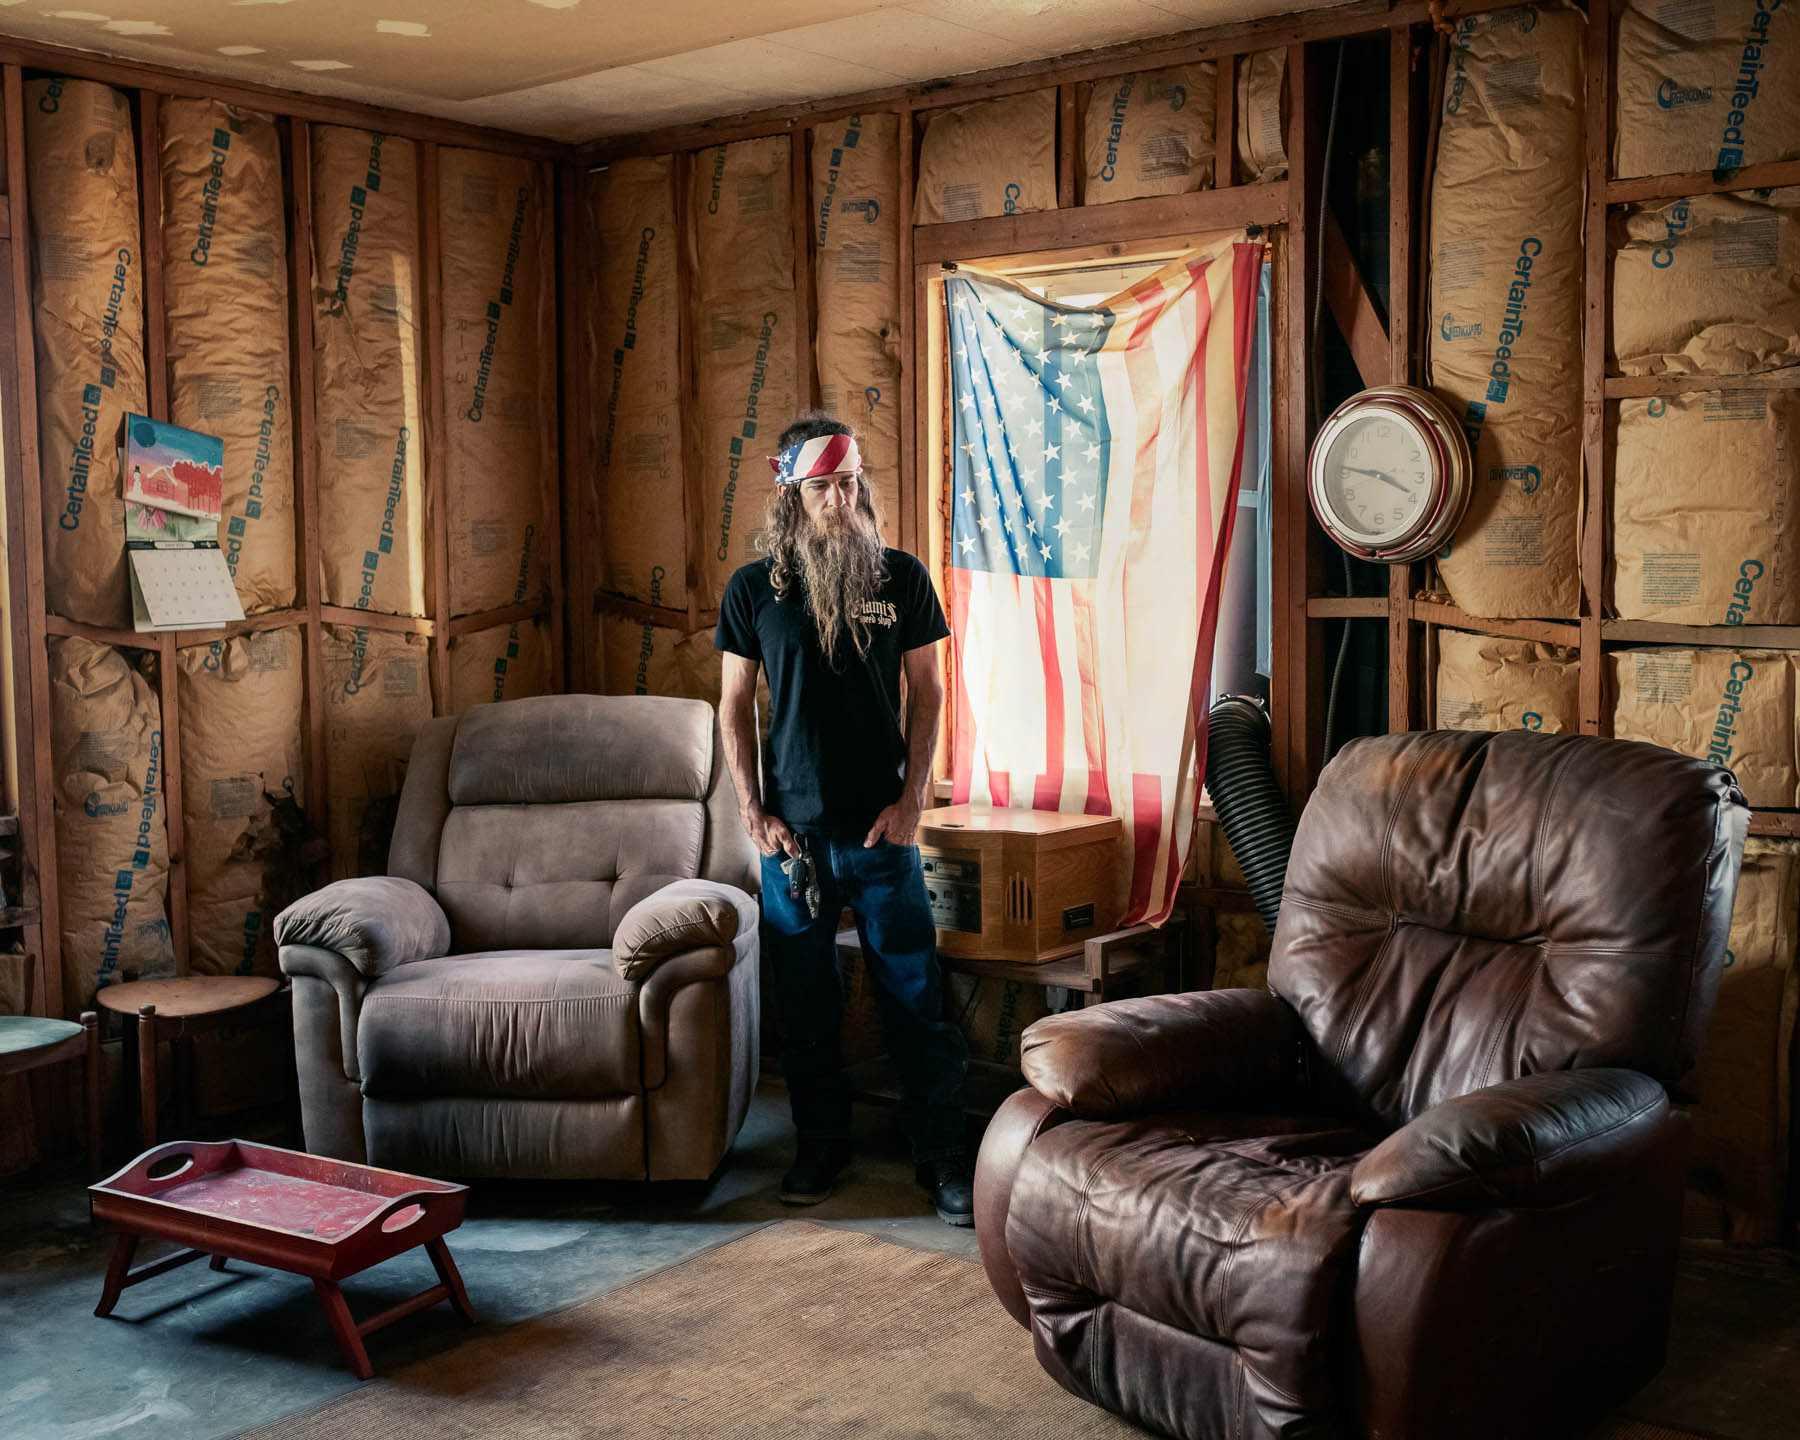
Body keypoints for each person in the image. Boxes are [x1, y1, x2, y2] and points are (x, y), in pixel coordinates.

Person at [715, 412, 972, 1225]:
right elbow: (731, 707)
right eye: (822, 485)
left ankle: (939, 1155)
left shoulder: (901, 577)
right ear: (790, 492)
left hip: (881, 834)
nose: (840, 498)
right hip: (793, 841)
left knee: (915, 996)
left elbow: (928, 693)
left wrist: (914, 799)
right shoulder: (754, 589)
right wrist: (752, 813)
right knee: (805, 1003)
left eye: (851, 481)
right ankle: (819, 1146)